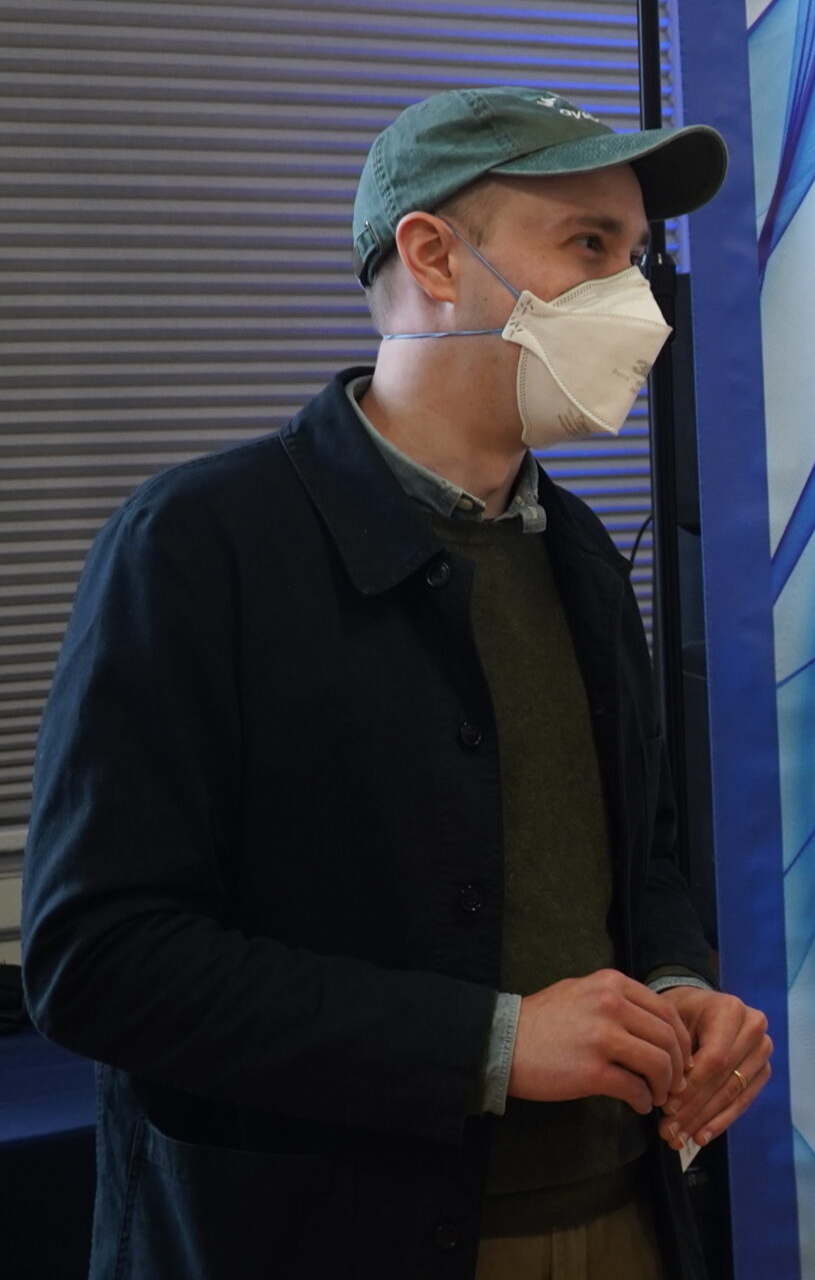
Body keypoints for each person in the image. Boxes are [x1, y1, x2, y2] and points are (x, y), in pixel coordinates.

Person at [21, 87, 772, 1280]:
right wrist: (493, 1040)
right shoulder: (203, 546)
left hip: (623, 1213)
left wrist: (679, 983)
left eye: (636, 257)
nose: (636, 305)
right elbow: (101, 959)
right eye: (588, 246)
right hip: (323, 1233)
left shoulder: (577, 553)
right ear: (433, 255)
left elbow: (646, 858)